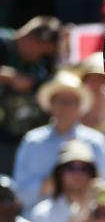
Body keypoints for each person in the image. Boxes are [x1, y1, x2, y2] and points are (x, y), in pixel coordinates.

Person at [12, 70, 105, 210]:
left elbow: (103, 189)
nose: (65, 107)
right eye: (60, 101)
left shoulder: (95, 141)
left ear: (79, 106)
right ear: (50, 105)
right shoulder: (32, 141)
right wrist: (49, 184)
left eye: (70, 102)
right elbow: (19, 193)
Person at [0, 16, 60, 175]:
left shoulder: (41, 64)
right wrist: (9, 77)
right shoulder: (3, 43)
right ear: (33, 40)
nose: (42, 56)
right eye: (42, 50)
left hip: (21, 137)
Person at [28, 140, 98, 222]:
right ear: (59, 173)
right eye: (71, 167)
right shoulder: (42, 214)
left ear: (92, 173)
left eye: (84, 168)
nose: (77, 173)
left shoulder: (103, 211)